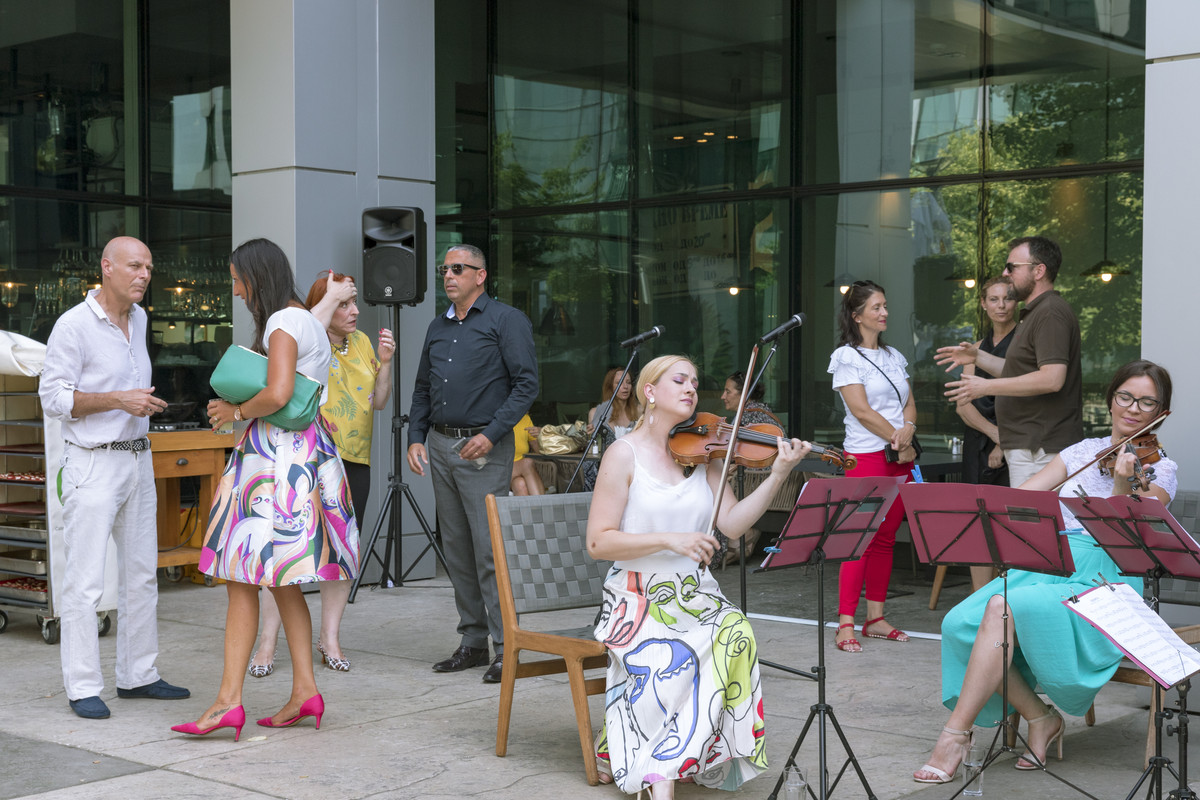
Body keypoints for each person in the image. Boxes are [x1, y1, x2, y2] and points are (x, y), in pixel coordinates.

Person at [914, 360, 1176, 783]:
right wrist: (975, 505)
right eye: (1126, 396)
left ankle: (954, 737)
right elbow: (1022, 496)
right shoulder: (1078, 454)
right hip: (1049, 565)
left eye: (1148, 402)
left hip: (1103, 577)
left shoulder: (1158, 468)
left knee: (1000, 606)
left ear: (1160, 411)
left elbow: (1131, 530)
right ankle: (1040, 717)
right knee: (958, 621)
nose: (1133, 408)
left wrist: (1123, 484)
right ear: (1111, 399)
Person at [586, 354, 812, 797]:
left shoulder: (704, 454)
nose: (691, 388)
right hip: (637, 595)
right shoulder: (623, 454)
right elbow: (598, 542)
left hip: (693, 592)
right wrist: (671, 539)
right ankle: (659, 778)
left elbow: (730, 524)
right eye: (679, 380)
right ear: (650, 392)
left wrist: (779, 474)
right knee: (678, 649)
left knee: (735, 632)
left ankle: (646, 749)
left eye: (694, 380)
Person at [171, 238, 358, 740]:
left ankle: (227, 704)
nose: (235, 289)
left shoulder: (281, 321)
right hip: (300, 458)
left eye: (237, 278)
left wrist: (233, 411)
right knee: (281, 582)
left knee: (240, 576)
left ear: (256, 276)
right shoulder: (305, 321)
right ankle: (304, 692)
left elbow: (276, 392)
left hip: (272, 464)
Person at [40, 235, 190, 719]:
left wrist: (135, 405)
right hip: (92, 461)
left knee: (143, 575)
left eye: (149, 266)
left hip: (137, 458)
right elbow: (54, 399)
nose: (144, 274)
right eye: (134, 266)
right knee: (84, 582)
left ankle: (138, 676)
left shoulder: (141, 319)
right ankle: (83, 685)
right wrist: (117, 399)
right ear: (107, 268)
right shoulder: (73, 326)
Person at [247, 271, 394, 677]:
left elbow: (379, 402)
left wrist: (385, 365)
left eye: (354, 303)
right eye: (343, 303)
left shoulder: (362, 343)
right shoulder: (306, 340)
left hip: (355, 460)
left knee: (342, 552)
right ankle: (267, 641)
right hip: (310, 457)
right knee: (284, 547)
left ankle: (329, 637)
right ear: (324, 303)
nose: (354, 311)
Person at [407, 244, 538, 684]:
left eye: (458, 269)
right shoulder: (437, 326)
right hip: (442, 446)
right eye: (445, 269)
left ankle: (507, 648)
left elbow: (526, 385)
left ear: (481, 276)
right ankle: (473, 642)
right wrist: (415, 436)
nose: (449, 276)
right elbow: (423, 385)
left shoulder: (506, 320)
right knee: (458, 551)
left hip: (484, 448)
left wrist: (492, 433)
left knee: (488, 551)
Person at [938, 236, 1083, 488]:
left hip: (1040, 447)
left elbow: (1052, 378)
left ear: (1038, 271)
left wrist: (985, 387)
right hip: (1029, 447)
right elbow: (1018, 371)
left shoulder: (1050, 312)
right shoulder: (1037, 312)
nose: (1006, 273)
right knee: (1027, 524)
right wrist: (977, 357)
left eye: (1012, 267)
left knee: (1032, 524)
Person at [827, 280, 918, 653]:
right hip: (866, 456)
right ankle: (845, 622)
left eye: (885, 306)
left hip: (899, 456)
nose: (884, 313)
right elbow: (861, 411)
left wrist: (907, 430)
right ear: (857, 314)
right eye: (877, 307)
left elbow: (909, 403)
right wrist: (897, 438)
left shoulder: (894, 355)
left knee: (885, 539)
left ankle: (875, 619)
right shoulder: (846, 357)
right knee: (859, 540)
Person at [955, 276, 1016, 590]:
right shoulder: (976, 348)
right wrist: (995, 437)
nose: (1001, 306)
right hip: (980, 441)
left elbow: (1025, 398)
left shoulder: (1023, 344)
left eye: (1007, 298)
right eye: (994, 299)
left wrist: (1004, 444)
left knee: (1007, 528)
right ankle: (980, 601)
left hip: (1015, 442)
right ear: (983, 303)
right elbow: (963, 405)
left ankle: (1005, 603)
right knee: (977, 526)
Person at [587, 367, 640, 440]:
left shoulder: (639, 410)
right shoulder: (596, 413)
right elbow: (593, 447)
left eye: (628, 382)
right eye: (619, 383)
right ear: (610, 387)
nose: (625, 387)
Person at [510, 412, 545, 495]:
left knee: (520, 484)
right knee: (527, 463)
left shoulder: (525, 419)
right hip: (499, 470)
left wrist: (542, 433)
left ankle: (532, 507)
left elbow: (538, 450)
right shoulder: (497, 419)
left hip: (519, 474)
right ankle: (542, 505)